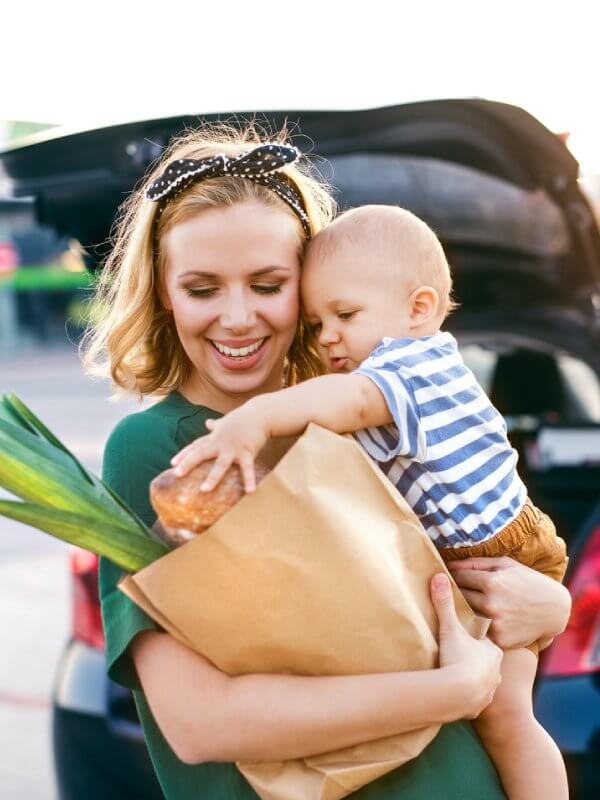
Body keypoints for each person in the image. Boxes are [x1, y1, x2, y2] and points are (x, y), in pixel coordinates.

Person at [84, 125, 571, 800]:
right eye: (202, 288)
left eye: (267, 283)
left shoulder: (353, 423)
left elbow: (469, 551)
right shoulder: (161, 452)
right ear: (164, 294)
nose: (237, 318)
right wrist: (451, 689)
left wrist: (551, 605)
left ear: (308, 288)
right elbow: (198, 723)